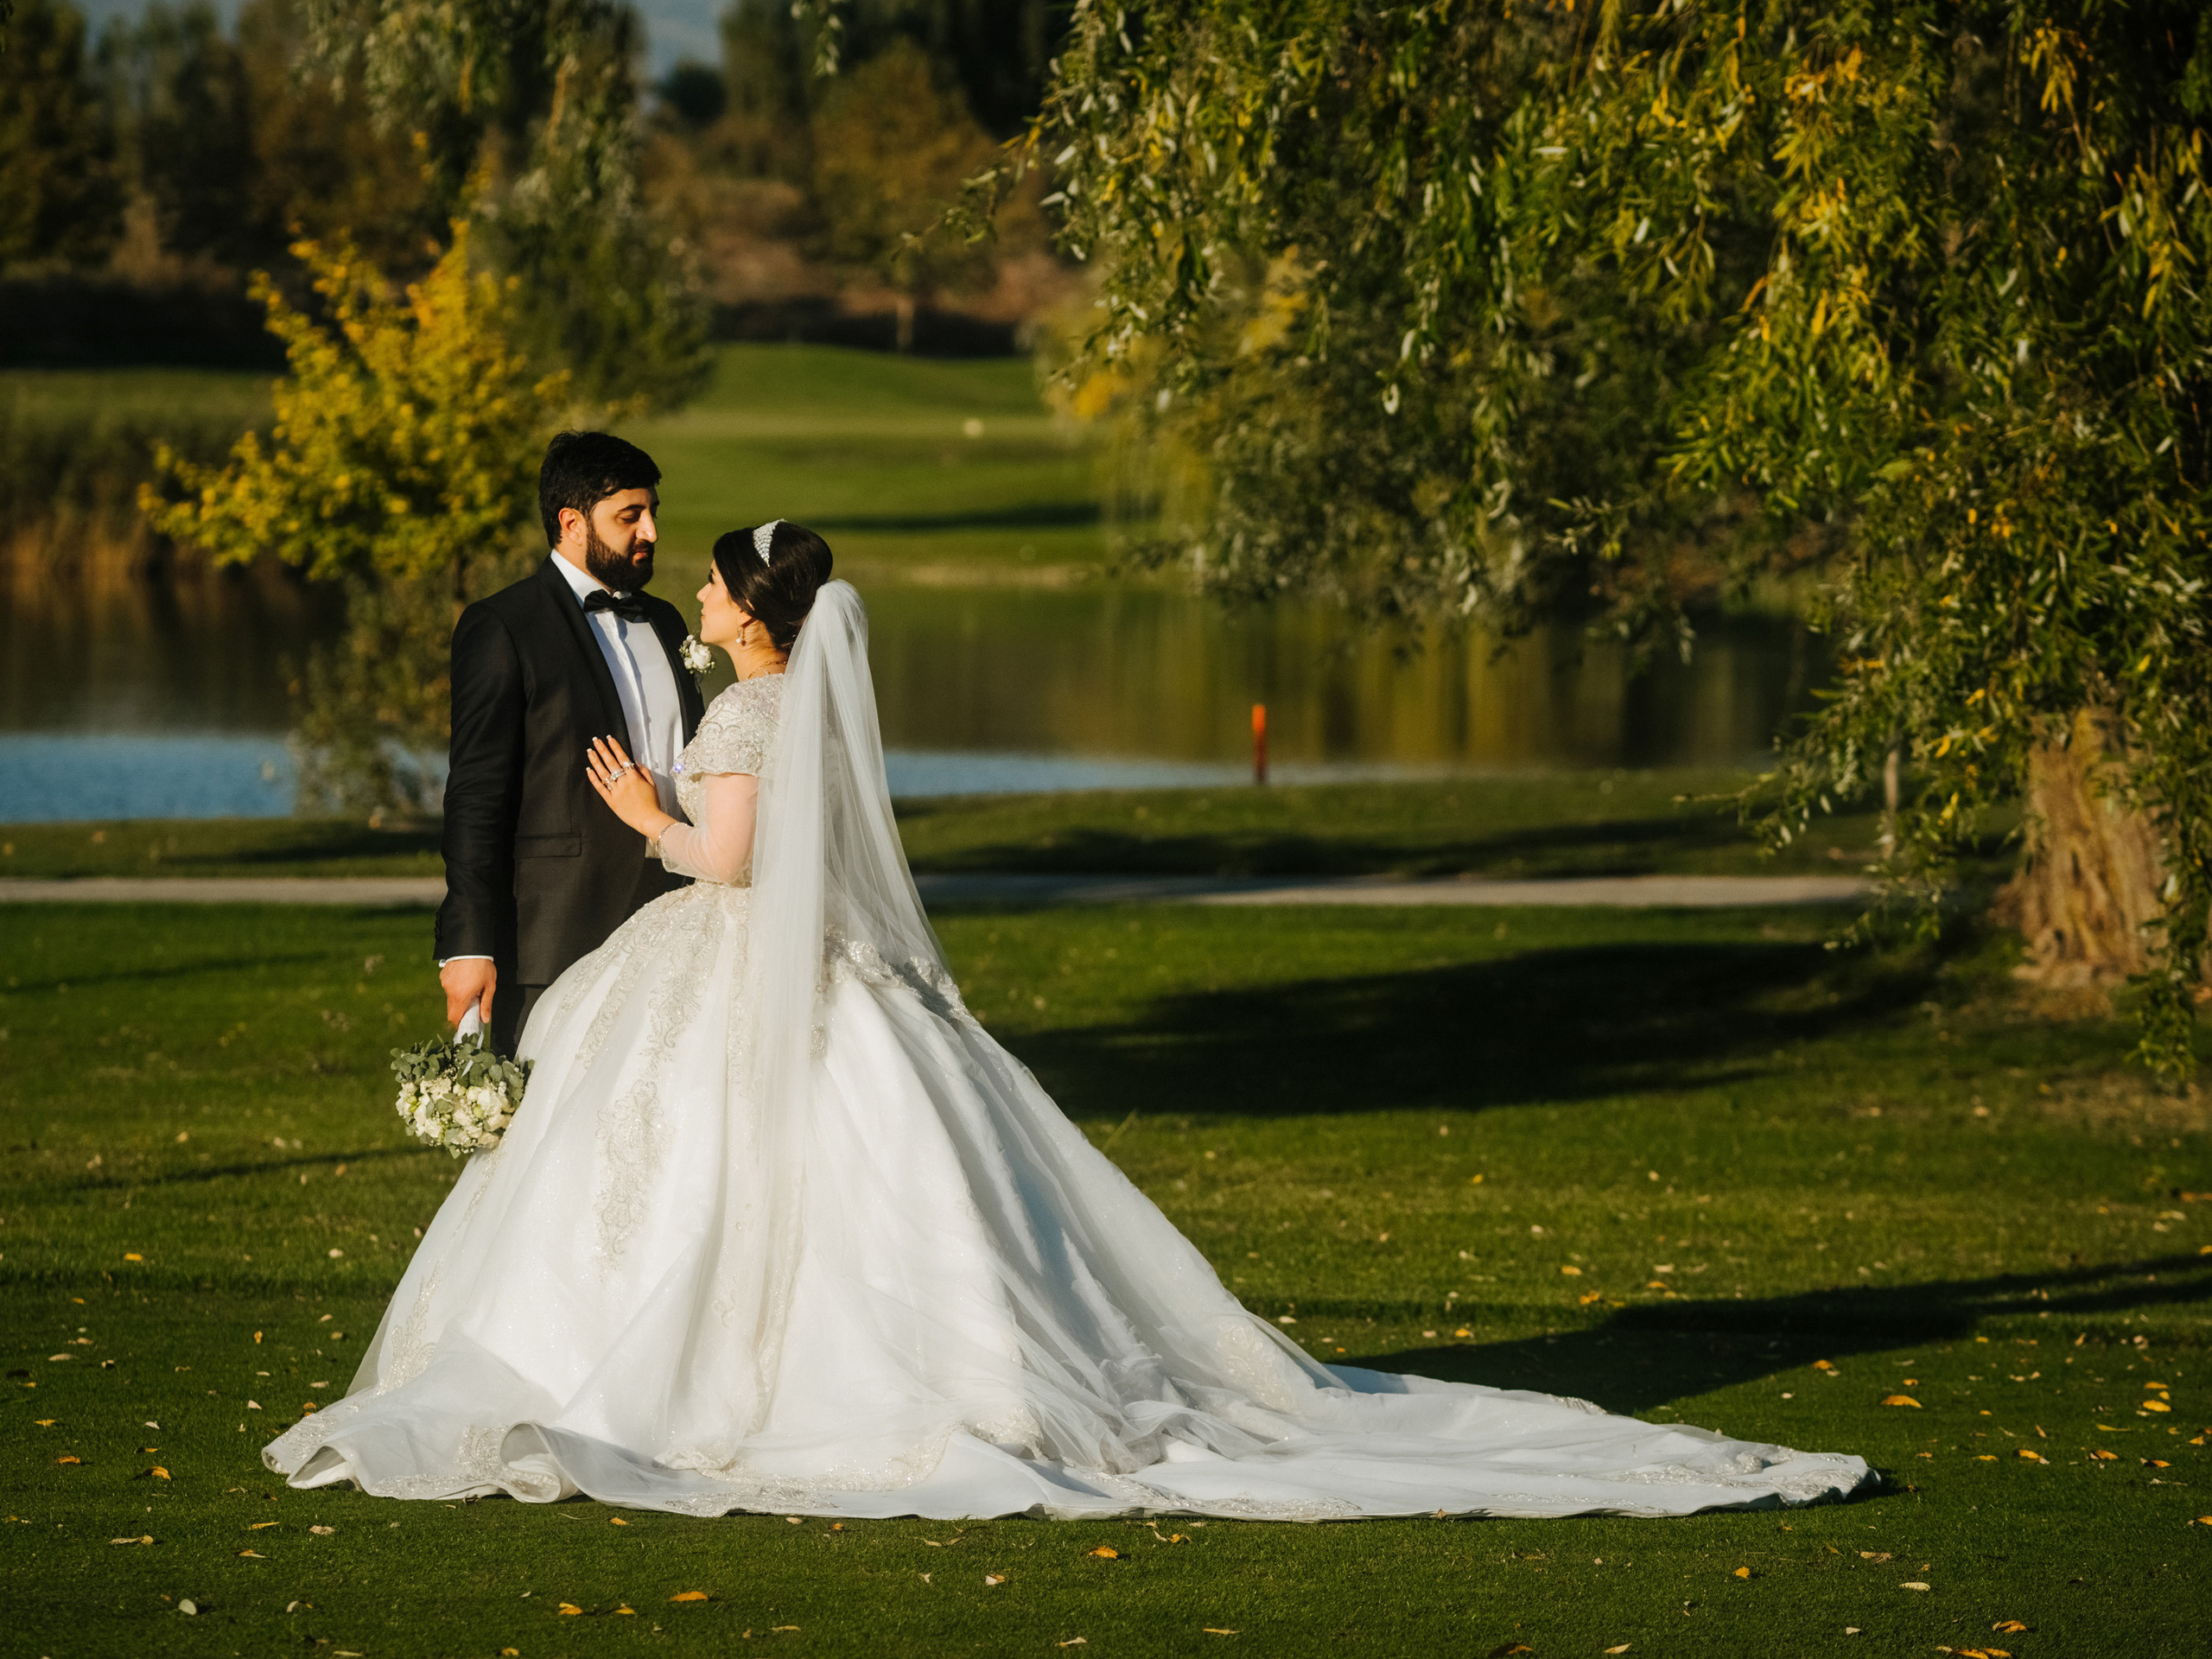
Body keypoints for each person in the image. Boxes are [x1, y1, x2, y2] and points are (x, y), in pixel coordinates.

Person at [268, 523, 1871, 1520]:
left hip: (729, 957)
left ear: (749, 619)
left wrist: (644, 817)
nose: (685, 585)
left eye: (704, 579)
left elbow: (736, 866)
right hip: (757, 978)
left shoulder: (749, 706)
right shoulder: (771, 695)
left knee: (721, 1193)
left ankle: (688, 1386)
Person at [435, 432, 705, 1054]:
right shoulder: (504, 626)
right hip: (556, 930)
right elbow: (475, 794)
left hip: (679, 913)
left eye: (652, 513)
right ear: (571, 522)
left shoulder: (666, 621)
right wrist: (469, 942)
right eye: (629, 516)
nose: (651, 533)